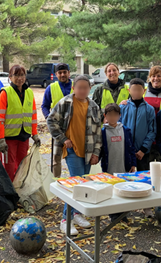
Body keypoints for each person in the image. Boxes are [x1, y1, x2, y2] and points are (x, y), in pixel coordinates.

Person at [46, 75, 102, 235]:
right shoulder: (65, 103)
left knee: (83, 184)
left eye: (86, 88)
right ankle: (66, 219)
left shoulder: (93, 106)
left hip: (88, 151)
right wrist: (63, 139)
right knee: (76, 184)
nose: (82, 90)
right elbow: (51, 121)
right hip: (72, 150)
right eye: (79, 87)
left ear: (90, 89)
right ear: (74, 88)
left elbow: (98, 132)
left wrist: (96, 152)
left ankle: (76, 214)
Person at [0, 64, 40, 181]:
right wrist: (0, 139)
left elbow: (33, 116)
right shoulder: (5, 93)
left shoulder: (29, 93)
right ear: (10, 77)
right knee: (8, 168)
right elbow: (0, 118)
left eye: (22, 75)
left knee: (22, 168)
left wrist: (34, 134)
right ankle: (8, 195)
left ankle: (19, 194)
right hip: (9, 139)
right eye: (16, 75)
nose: (20, 78)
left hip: (24, 136)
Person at [119, 78, 156, 217]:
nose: (136, 92)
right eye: (133, 89)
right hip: (126, 151)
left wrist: (143, 150)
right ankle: (124, 209)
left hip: (142, 151)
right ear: (129, 91)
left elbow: (152, 131)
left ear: (144, 91)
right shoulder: (123, 107)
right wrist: (127, 149)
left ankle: (146, 208)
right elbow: (118, 127)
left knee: (143, 179)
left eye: (139, 90)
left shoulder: (149, 109)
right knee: (126, 178)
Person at [100, 103, 137, 223]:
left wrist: (133, 163)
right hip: (110, 167)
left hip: (123, 166)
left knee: (123, 189)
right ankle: (113, 214)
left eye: (115, 115)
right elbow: (100, 150)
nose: (112, 118)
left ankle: (123, 213)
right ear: (105, 116)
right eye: (110, 115)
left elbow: (131, 148)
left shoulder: (125, 130)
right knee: (112, 191)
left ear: (119, 116)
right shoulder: (103, 132)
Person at [41, 63, 72, 177]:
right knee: (56, 158)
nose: (63, 74)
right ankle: (56, 184)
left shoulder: (75, 86)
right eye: (60, 73)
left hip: (73, 127)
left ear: (69, 73)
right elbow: (44, 106)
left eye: (65, 72)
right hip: (57, 128)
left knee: (74, 156)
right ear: (56, 74)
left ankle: (74, 180)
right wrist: (48, 118)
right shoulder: (51, 88)